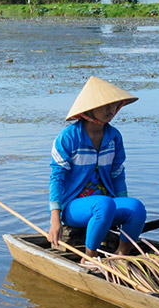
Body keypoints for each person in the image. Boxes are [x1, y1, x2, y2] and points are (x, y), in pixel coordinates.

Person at [47, 76, 147, 255]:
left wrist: (123, 209)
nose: (112, 109)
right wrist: (55, 221)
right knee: (104, 204)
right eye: (106, 105)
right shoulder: (68, 138)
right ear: (91, 109)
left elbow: (117, 174)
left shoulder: (114, 137)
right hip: (74, 207)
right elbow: (57, 179)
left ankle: (121, 255)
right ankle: (89, 258)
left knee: (136, 207)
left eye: (115, 105)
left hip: (106, 205)